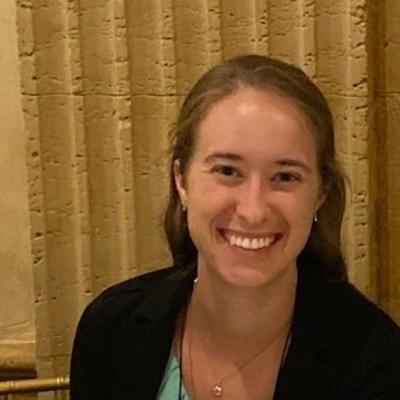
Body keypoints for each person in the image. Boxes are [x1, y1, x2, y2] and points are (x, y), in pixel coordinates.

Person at [70, 54, 400, 400]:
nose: (253, 211)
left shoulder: (377, 360)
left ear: (320, 194)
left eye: (285, 177)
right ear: (181, 180)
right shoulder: (111, 328)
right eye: (227, 171)